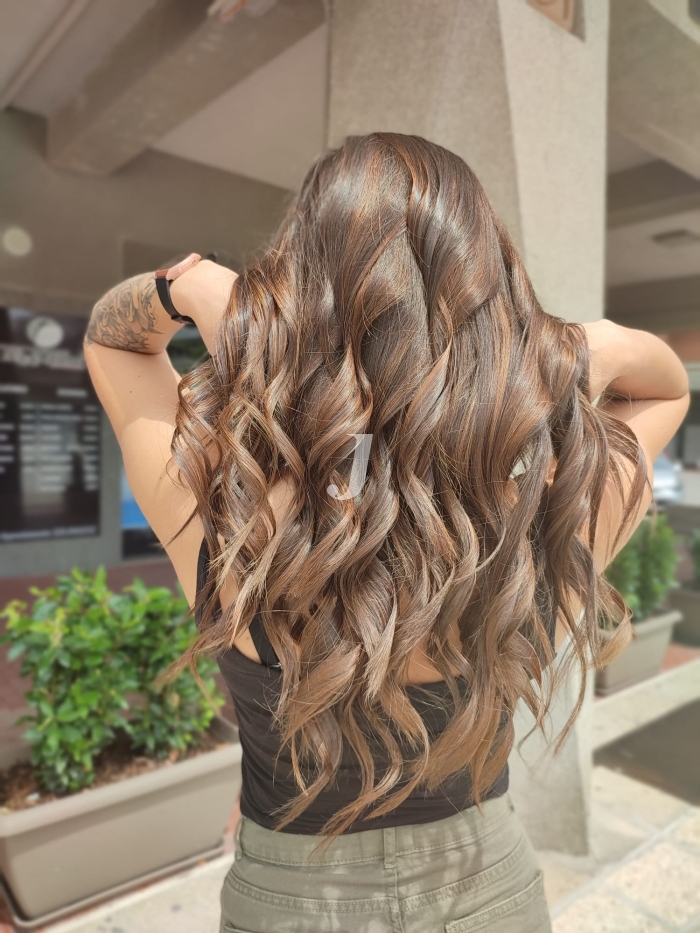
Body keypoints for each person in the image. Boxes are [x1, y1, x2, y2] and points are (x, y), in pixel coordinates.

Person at [84, 133, 690, 933]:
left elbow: (112, 338)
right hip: (491, 893)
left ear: (299, 291)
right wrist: (576, 346)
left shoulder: (217, 503)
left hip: (288, 903)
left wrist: (186, 289)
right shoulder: (552, 515)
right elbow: (664, 389)